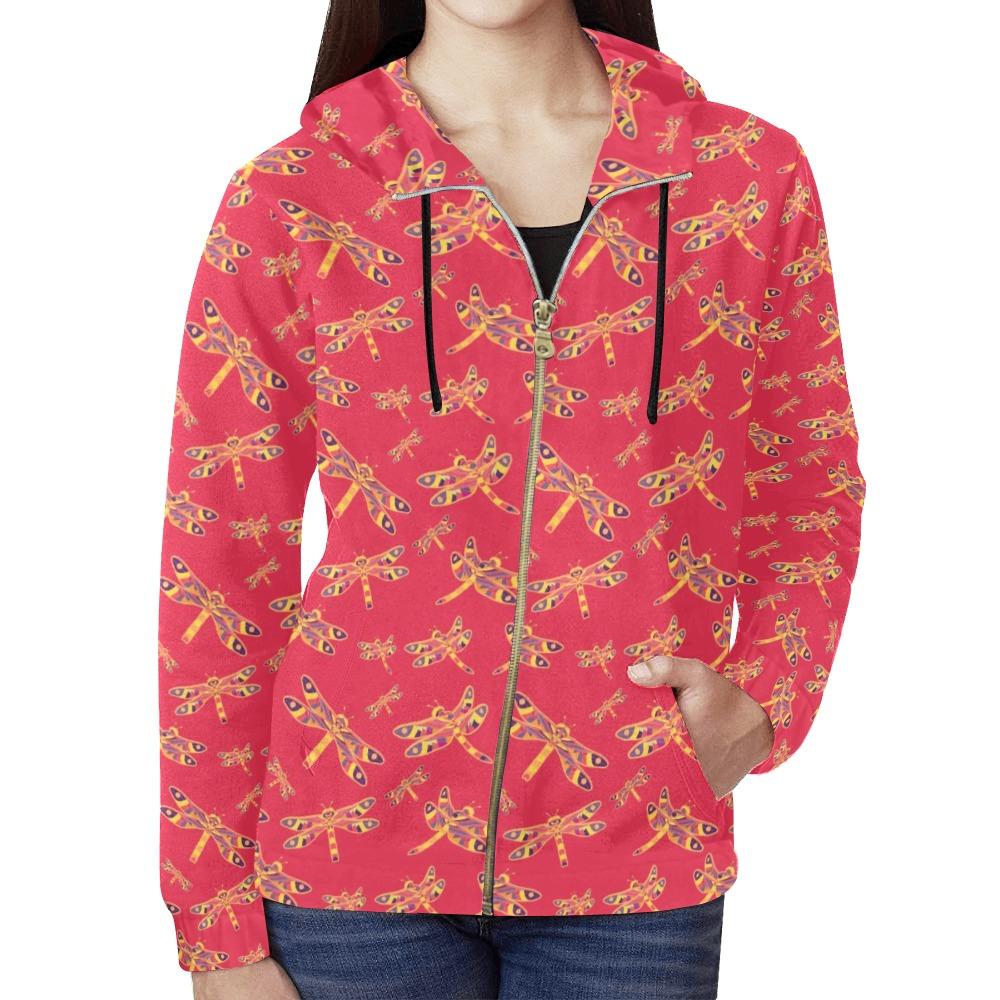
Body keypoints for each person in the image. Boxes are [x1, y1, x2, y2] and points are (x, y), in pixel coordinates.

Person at [157, 2, 866, 997]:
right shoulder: (297, 194)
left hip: (634, 860)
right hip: (347, 864)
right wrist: (217, 926)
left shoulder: (741, 175)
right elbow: (220, 557)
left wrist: (766, 697)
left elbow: (806, 482)